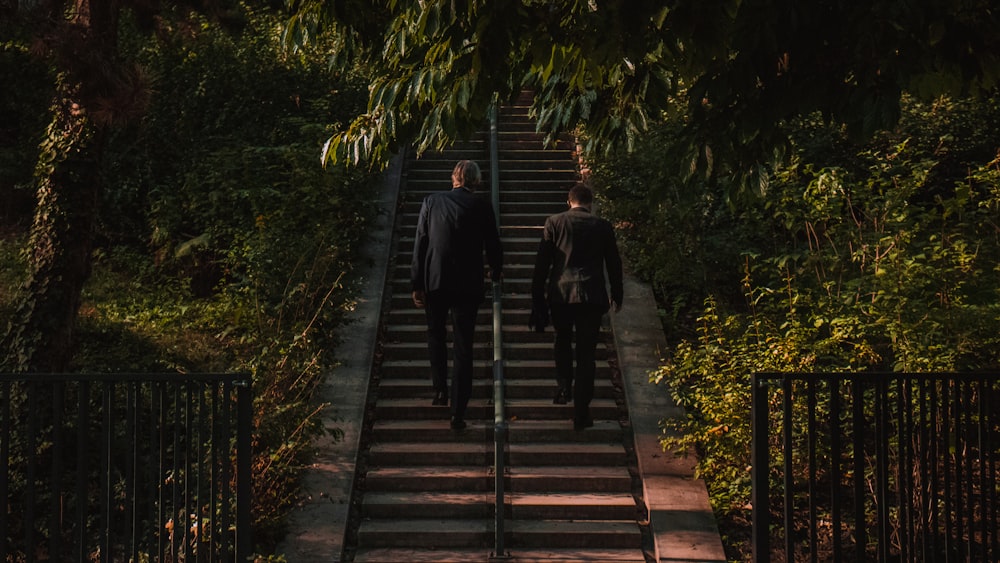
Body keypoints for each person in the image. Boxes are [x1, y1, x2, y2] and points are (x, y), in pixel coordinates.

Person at [411, 160, 503, 430]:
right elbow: (493, 243)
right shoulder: (482, 206)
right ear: (476, 181)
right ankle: (458, 412)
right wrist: (495, 272)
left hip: (435, 280)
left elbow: (420, 243)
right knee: (464, 346)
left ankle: (439, 390)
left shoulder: (431, 201)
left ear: (453, 178)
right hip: (468, 284)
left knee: (435, 335)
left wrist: (416, 282)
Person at [531, 182, 623, 431]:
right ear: (590, 203)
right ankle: (581, 412)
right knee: (586, 355)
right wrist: (617, 293)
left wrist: (537, 296)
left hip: (561, 294)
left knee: (561, 340)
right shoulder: (602, 226)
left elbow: (543, 262)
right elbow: (613, 262)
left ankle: (563, 385)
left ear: (569, 201)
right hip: (592, 296)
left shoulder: (554, 222)